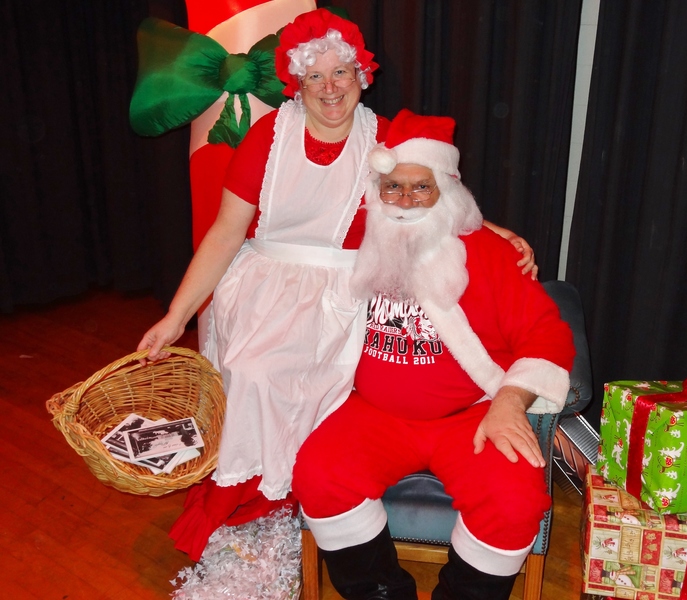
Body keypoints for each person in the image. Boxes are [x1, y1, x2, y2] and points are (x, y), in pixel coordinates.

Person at [137, 9, 535, 561]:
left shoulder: (386, 137)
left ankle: (301, 503)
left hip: (346, 294)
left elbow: (433, 191)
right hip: (264, 290)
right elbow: (226, 233)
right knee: (257, 374)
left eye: (341, 74)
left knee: (333, 394)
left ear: (361, 75)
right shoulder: (267, 137)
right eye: (315, 76)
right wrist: (175, 316)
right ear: (297, 82)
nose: (330, 89)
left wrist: (493, 230)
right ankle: (247, 498)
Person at [292, 110, 576, 600]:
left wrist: (510, 402)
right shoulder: (353, 242)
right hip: (371, 412)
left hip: (470, 416)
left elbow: (546, 335)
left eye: (420, 188)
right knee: (319, 474)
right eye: (392, 187)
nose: (404, 201)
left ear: (446, 189)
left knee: (513, 501)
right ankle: (380, 592)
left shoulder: (490, 253)